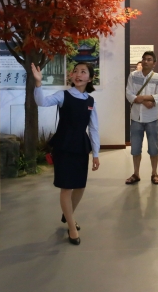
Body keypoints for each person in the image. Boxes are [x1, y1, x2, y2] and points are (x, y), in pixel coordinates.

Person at [31, 62, 100, 246]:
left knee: (80, 186)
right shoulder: (63, 95)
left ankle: (67, 214)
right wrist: (38, 83)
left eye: (83, 72)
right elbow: (42, 102)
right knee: (66, 187)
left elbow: (94, 129)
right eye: (75, 71)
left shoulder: (90, 102)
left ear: (90, 78)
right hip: (63, 146)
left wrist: (96, 154)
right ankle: (71, 226)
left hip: (81, 147)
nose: (78, 74)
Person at [125, 51, 158, 185]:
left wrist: (142, 98)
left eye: (149, 59)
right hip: (136, 117)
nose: (145, 61)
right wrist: (144, 101)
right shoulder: (133, 76)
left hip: (152, 118)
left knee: (154, 148)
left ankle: (154, 173)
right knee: (135, 148)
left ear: (154, 63)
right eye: (144, 59)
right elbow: (129, 93)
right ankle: (136, 173)